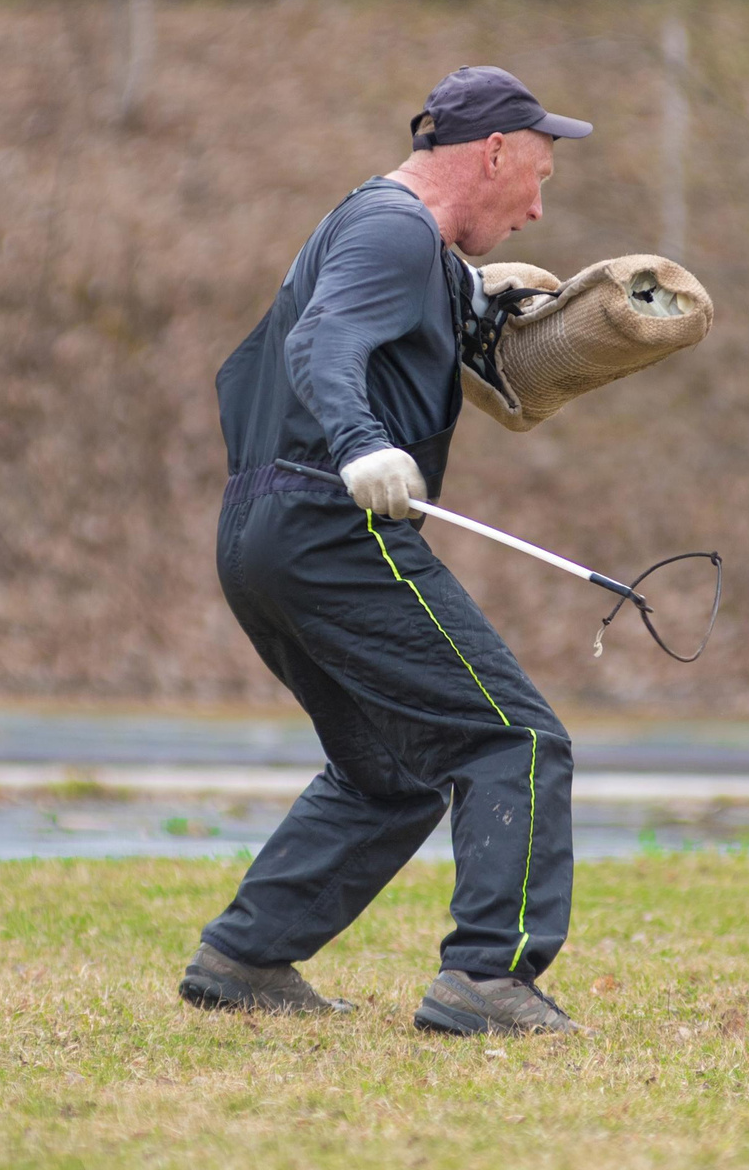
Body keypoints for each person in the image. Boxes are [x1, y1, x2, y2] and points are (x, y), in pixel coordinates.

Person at [179, 67, 591, 1037]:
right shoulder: (393, 229)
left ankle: (245, 956)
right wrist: (362, 442)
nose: (536, 209)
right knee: (515, 738)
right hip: (331, 522)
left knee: (390, 770)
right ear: (493, 151)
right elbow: (323, 341)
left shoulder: (396, 237)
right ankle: (487, 977)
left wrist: (471, 301)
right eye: (535, 179)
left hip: (262, 533)